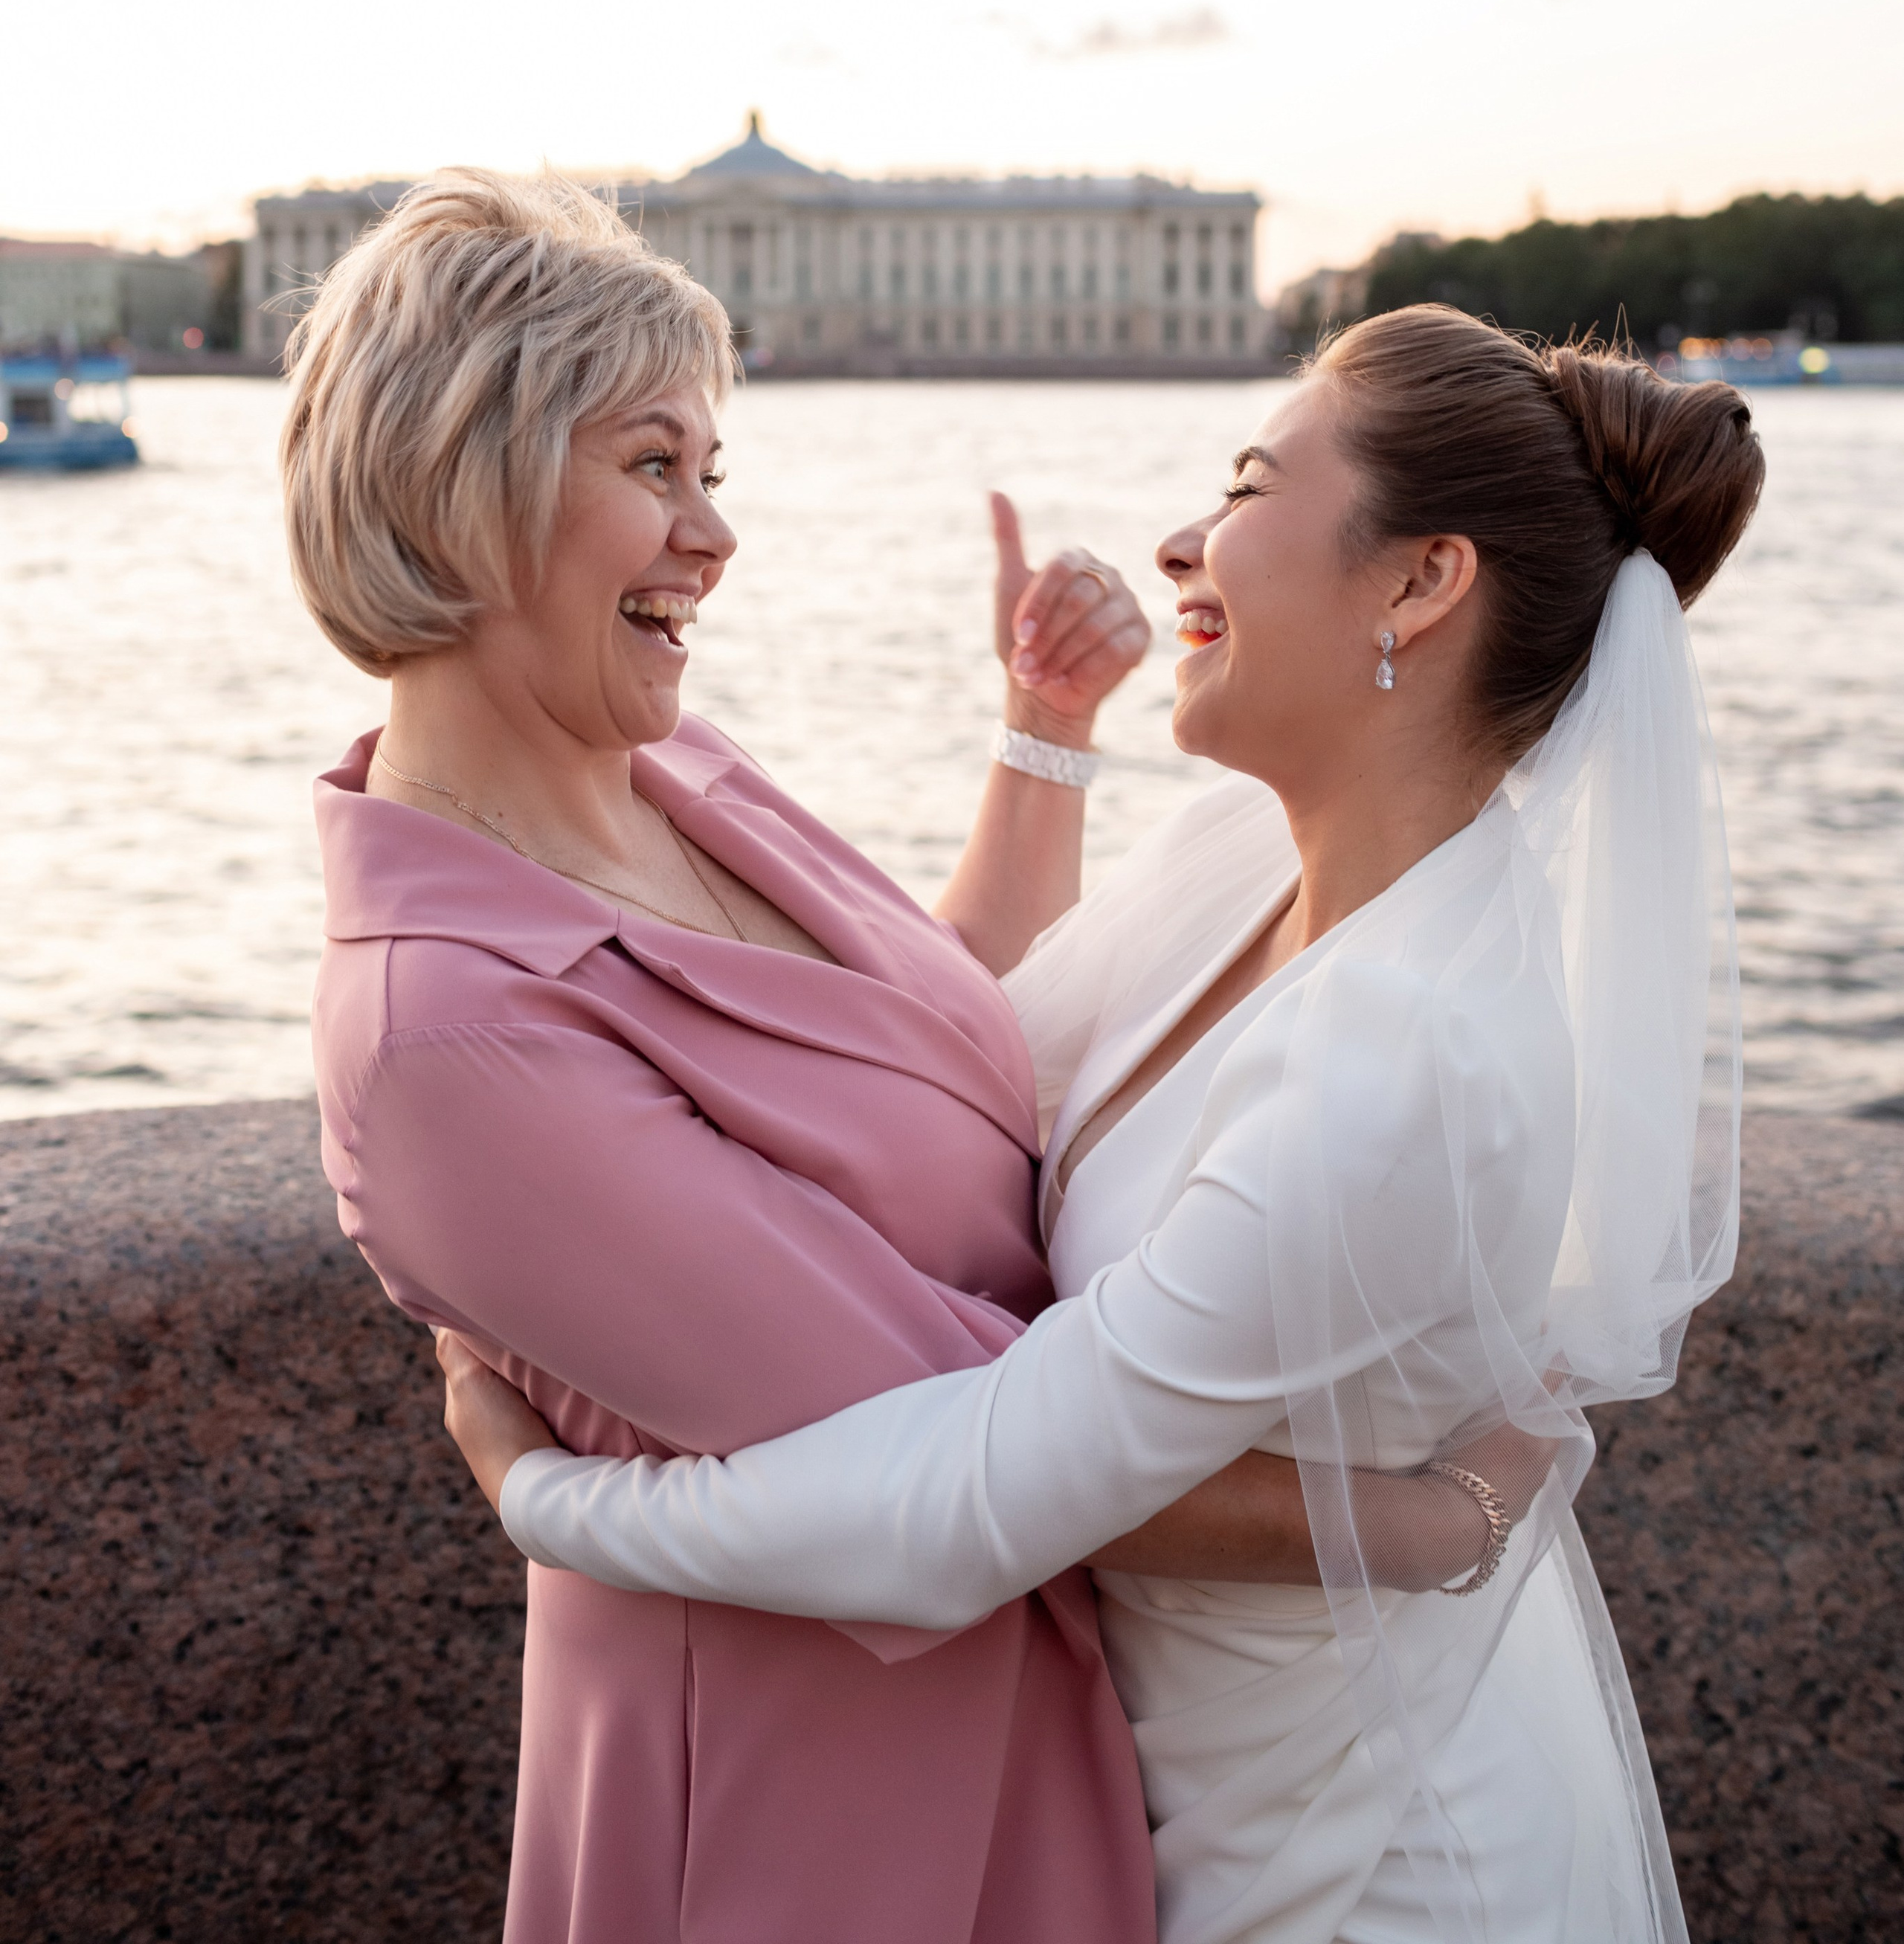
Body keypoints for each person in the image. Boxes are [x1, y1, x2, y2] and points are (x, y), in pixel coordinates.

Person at [438, 306, 1764, 1944]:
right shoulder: (1245, 862)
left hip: (1362, 1871)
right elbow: (944, 1073)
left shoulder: (1406, 1056)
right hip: (1179, 1796)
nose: (1179, 540)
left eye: (1247, 484)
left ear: (1418, 585)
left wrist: (556, 1504)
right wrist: (1043, 728)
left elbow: (994, 1493)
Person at [288, 171, 1485, 1944]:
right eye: (652, 468)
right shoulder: (446, 1042)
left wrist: (1043, 734)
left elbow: (936, 1049)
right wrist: (1438, 1519)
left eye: (713, 474)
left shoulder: (674, 773)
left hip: (1001, 1726)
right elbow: (975, 1464)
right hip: (824, 1821)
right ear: (459, 487)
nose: (713, 534)